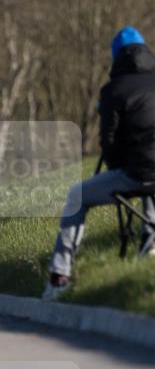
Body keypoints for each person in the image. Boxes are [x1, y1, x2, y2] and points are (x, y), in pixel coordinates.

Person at [43, 26, 155, 300]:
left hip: (136, 174)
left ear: (116, 57)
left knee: (77, 196)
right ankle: (150, 241)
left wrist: (119, 163)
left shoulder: (113, 91)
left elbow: (109, 145)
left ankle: (60, 276)